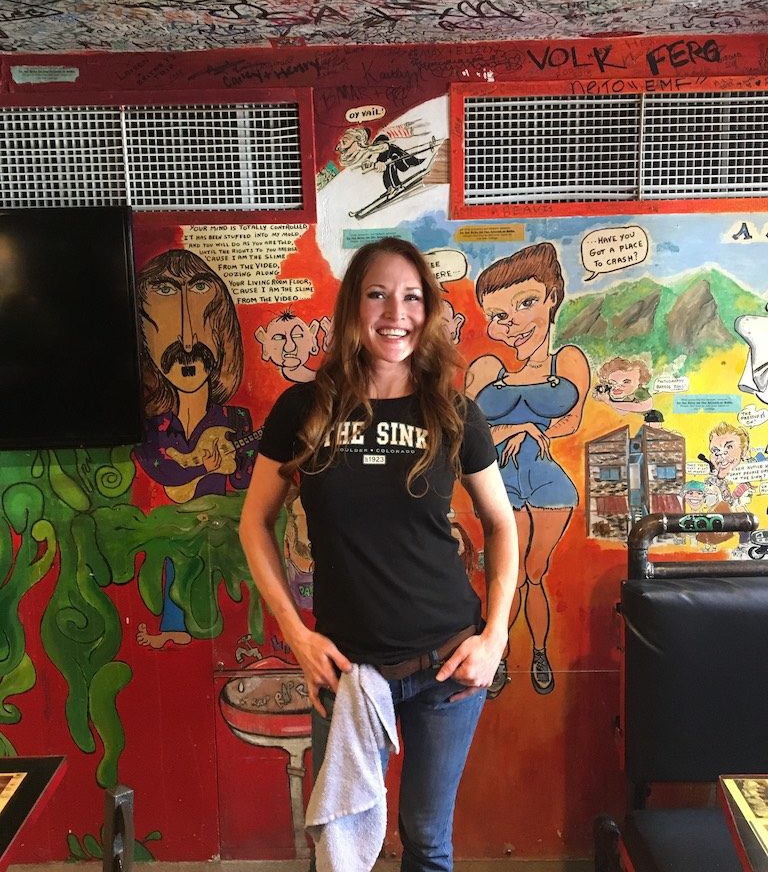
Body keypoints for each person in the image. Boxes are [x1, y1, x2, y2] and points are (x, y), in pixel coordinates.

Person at [239, 237, 517, 872]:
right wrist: (296, 635)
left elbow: (501, 526)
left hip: (447, 666)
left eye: (413, 297)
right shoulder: (303, 410)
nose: (397, 312)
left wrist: (495, 634)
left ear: (430, 309)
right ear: (353, 307)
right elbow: (254, 523)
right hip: (345, 671)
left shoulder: (453, 411)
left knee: (426, 844)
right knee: (336, 851)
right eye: (378, 294)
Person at [466, 243, 590, 695]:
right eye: (498, 315)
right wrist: (510, 430)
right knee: (510, 574)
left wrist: (536, 431)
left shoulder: (568, 361)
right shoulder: (486, 367)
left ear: (552, 298)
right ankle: (499, 655)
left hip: (548, 480)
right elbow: (466, 429)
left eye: (525, 303)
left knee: (536, 571)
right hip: (500, 484)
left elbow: (570, 419)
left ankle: (538, 651)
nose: (512, 321)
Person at [134, 249, 255, 647]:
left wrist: (233, 468)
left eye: (202, 337)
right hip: (178, 529)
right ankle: (175, 627)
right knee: (175, 562)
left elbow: (247, 477)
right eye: (171, 337)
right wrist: (207, 470)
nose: (188, 345)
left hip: (224, 529)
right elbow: (163, 471)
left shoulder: (236, 421)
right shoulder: (153, 427)